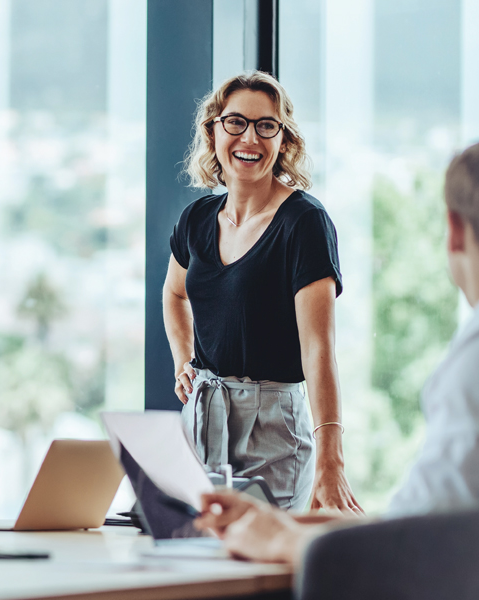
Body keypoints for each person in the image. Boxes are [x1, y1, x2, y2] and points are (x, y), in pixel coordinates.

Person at [195, 131, 479, 563]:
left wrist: (279, 540)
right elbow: (431, 516)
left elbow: (416, 542)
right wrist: (285, 522)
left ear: (455, 231)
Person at [163, 71, 359, 512]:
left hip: (272, 427)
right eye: (235, 122)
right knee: (195, 561)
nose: (249, 137)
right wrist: (182, 361)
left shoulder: (304, 223)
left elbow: (318, 349)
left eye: (265, 125)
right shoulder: (196, 219)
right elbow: (174, 295)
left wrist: (332, 459)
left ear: (283, 139)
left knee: (261, 570)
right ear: (213, 131)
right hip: (201, 417)